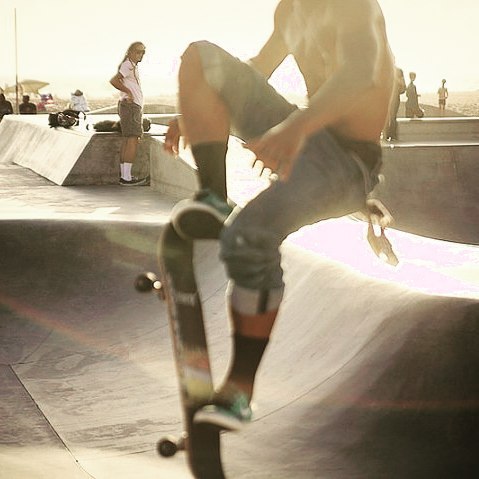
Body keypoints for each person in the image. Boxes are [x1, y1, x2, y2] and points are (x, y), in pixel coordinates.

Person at [164, 0, 396, 431]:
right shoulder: (290, 10)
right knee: (201, 58)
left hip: (347, 164)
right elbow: (258, 67)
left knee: (248, 239)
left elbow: (360, 72)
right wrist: (197, 103)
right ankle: (214, 198)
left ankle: (239, 391)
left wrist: (296, 127)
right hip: (310, 133)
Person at [110, 41, 148, 186]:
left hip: (130, 106)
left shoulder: (131, 65)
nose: (141, 54)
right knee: (133, 139)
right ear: (130, 52)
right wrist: (129, 92)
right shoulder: (127, 65)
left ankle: (125, 176)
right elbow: (114, 80)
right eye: (138, 51)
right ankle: (126, 178)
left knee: (128, 140)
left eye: (143, 52)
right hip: (131, 107)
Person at [383, 67, 406, 141]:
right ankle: (388, 135)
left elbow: (403, 87)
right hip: (387, 97)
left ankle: (391, 135)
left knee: (392, 117)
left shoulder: (398, 71)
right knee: (387, 117)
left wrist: (396, 80)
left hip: (394, 98)